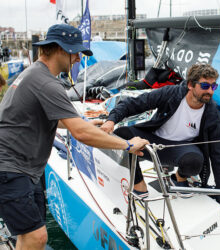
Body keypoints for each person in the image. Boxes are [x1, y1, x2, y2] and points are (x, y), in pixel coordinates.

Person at [0, 24, 149, 250]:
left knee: (29, 235)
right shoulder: (47, 82)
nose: (78, 58)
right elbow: (81, 134)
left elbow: (47, 116)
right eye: (76, 52)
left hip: (22, 168)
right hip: (10, 168)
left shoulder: (35, 74)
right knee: (36, 237)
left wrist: (83, 123)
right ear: (61, 49)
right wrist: (127, 144)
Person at [101, 63, 220, 218]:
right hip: (152, 142)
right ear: (190, 85)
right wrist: (111, 120)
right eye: (205, 85)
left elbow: (218, 157)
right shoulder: (171, 93)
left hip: (181, 149)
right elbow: (133, 104)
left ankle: (179, 178)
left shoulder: (212, 114)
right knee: (121, 134)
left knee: (195, 161)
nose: (210, 91)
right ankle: (139, 184)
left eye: (213, 86)